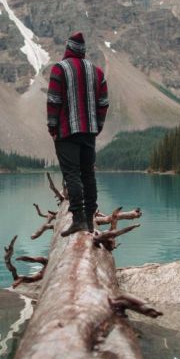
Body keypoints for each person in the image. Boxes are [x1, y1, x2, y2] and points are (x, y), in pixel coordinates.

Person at [46, 31, 109, 236]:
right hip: (89, 132)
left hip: (67, 131)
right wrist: (97, 127)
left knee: (72, 174)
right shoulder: (97, 72)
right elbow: (103, 103)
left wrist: (53, 128)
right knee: (88, 174)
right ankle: (90, 219)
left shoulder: (60, 69)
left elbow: (53, 101)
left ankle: (78, 219)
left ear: (68, 48)